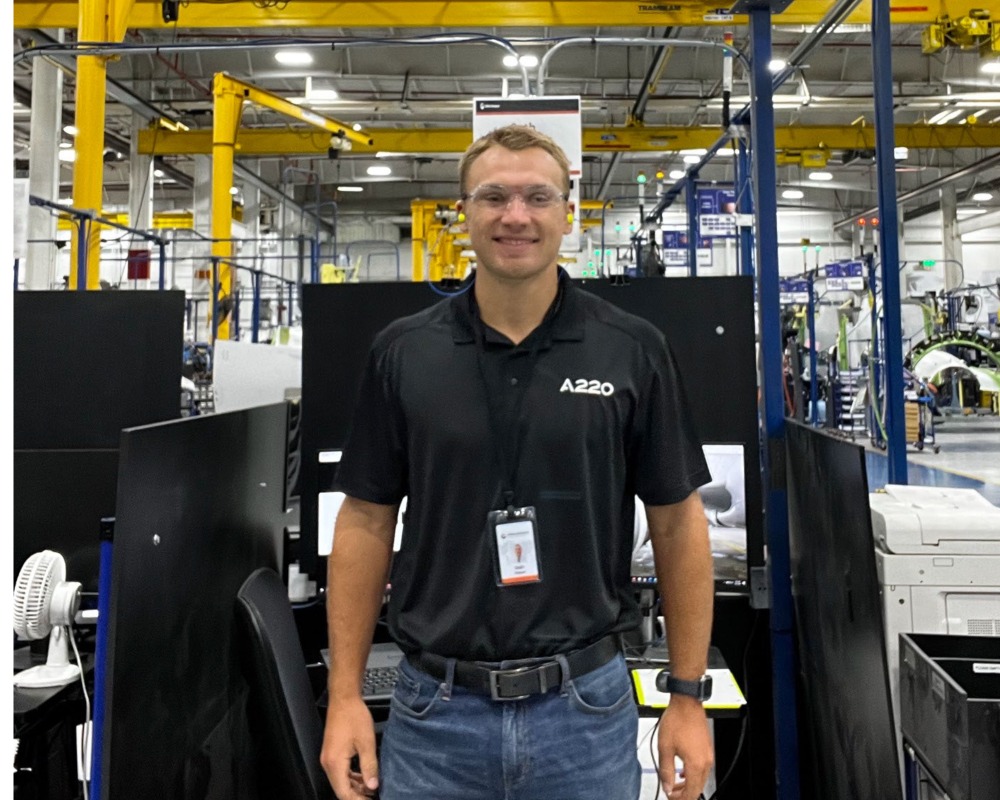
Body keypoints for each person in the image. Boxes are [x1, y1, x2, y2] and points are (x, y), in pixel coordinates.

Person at [320, 124, 715, 800]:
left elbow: (678, 524)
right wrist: (345, 697)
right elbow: (364, 521)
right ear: (464, 213)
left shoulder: (632, 350)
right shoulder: (403, 353)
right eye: (494, 196)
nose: (515, 216)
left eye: (538, 197)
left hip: (585, 715)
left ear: (568, 213)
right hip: (434, 716)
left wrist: (686, 696)